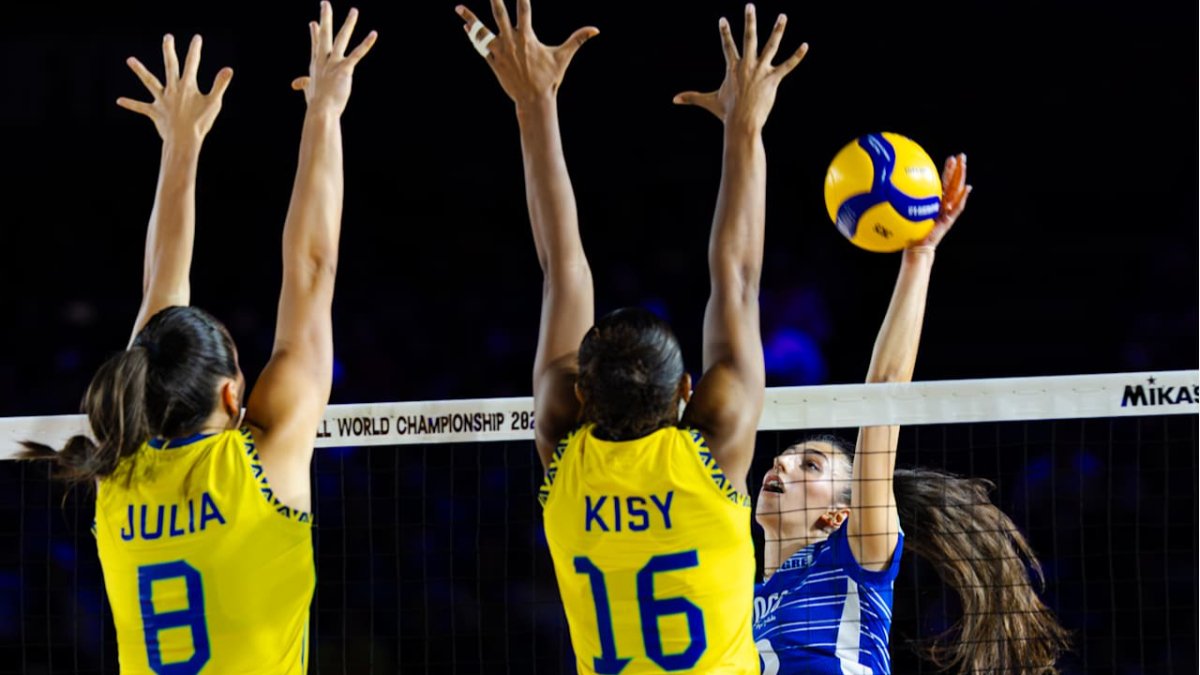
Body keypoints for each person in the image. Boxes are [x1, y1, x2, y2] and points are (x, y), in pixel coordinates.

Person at [20, 4, 375, 672]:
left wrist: (182, 145)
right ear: (231, 391)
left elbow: (288, 275)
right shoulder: (253, 467)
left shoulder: (118, 473)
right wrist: (321, 113)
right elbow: (306, 267)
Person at [456, 1, 806, 671]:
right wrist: (744, 127)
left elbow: (563, 268)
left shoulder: (568, 454)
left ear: (581, 394)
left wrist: (534, 103)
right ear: (685, 390)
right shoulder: (707, 452)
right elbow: (734, 276)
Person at [753, 154, 1070, 673]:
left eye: (809, 465)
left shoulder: (855, 559)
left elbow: (883, 395)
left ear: (840, 515)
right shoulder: (739, 596)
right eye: (789, 459)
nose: (781, 465)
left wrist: (919, 257)